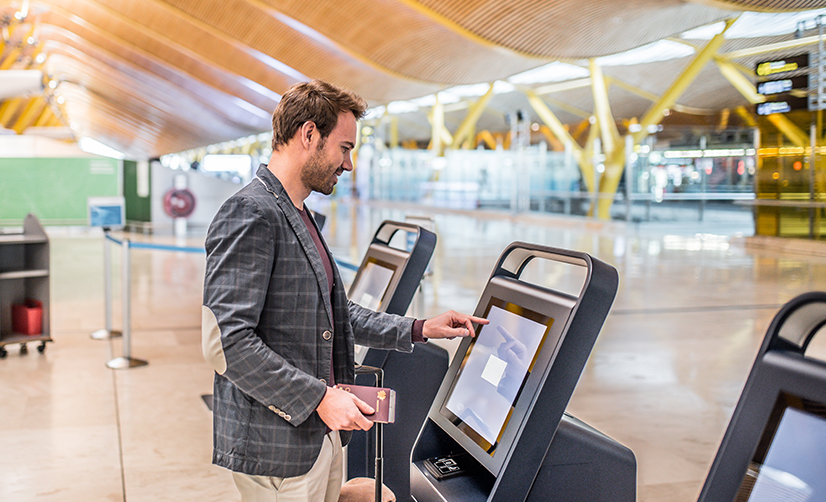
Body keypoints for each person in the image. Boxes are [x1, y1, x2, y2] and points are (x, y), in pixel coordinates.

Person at [202, 79, 487, 502]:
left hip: (316, 435)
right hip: (278, 448)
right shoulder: (251, 212)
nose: (348, 164)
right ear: (309, 134)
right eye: (345, 148)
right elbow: (226, 343)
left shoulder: (297, 214)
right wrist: (318, 398)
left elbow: (336, 313)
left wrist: (420, 328)